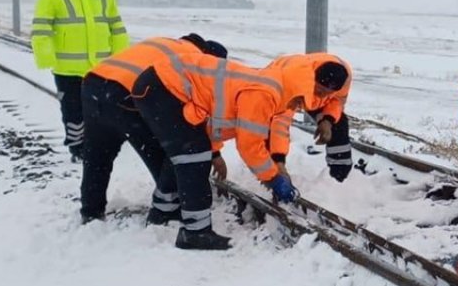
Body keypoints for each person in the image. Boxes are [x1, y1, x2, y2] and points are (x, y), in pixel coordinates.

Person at [131, 51, 350, 250]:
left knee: (189, 150)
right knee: (192, 155)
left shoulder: (283, 87)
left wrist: (215, 152)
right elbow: (249, 145)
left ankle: (162, 211)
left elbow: (215, 123)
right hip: (164, 86)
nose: (300, 108)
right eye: (302, 102)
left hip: (162, 84)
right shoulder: (265, 94)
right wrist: (273, 178)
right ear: (305, 88)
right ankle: (195, 233)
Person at [79, 34, 228, 225]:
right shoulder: (194, 60)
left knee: (97, 156)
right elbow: (192, 116)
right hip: (125, 94)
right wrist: (212, 153)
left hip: (93, 84)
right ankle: (167, 208)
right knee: (172, 152)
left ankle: (91, 212)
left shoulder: (168, 42)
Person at [30, 0, 129, 160]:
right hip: (68, 68)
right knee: (73, 112)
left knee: (101, 110)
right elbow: (41, 28)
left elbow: (116, 27)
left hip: (101, 68)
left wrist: (121, 59)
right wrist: (46, 58)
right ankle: (77, 147)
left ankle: (98, 144)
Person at [263, 53, 355, 183]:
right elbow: (280, 122)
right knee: (267, 128)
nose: (322, 96)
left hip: (306, 87)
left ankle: (339, 177)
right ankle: (270, 173)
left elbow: (337, 101)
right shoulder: (292, 80)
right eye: (318, 91)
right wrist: (279, 160)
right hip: (275, 84)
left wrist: (327, 120)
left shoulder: (345, 77)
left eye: (327, 94)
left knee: (339, 123)